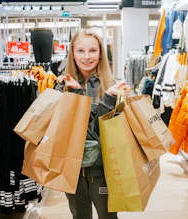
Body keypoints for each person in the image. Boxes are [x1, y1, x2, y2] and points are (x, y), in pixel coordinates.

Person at [55, 29, 131, 219]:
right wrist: (73, 93)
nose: (87, 57)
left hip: (103, 170)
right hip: (72, 169)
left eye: (92, 51)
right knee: (79, 216)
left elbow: (104, 132)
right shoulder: (61, 86)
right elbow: (63, 129)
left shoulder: (112, 85)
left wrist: (108, 99)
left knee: (108, 216)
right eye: (80, 51)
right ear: (72, 53)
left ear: (100, 54)